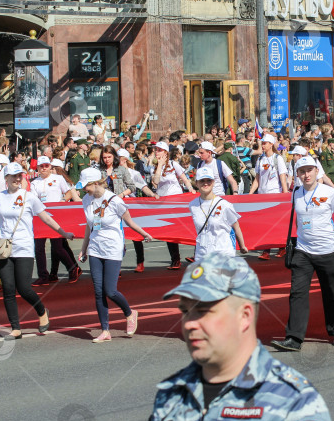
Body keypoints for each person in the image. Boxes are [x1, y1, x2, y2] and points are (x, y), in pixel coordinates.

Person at [143, 253, 334, 421]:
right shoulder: (171, 395)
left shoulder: (294, 403)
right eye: (185, 311)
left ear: (244, 316)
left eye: (203, 311)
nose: (190, 323)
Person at [271, 157, 334, 352]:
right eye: (302, 171)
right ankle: (294, 338)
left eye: (309, 170)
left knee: (332, 293)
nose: (306, 175)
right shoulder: (295, 193)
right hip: (303, 251)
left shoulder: (329, 193)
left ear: (316, 171)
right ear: (297, 174)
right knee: (297, 293)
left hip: (328, 251)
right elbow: (297, 221)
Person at [0, 163, 74, 340]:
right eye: (13, 176)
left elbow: (45, 217)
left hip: (24, 247)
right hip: (5, 249)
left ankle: (41, 310)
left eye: (19, 176)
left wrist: (63, 233)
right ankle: (15, 327)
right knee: (8, 288)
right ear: (6, 178)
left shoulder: (29, 197)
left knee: (23, 288)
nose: (17, 179)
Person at [76, 167, 152, 342]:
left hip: (112, 247)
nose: (83, 189)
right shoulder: (86, 200)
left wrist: (144, 234)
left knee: (110, 291)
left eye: (86, 186)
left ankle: (130, 313)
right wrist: (84, 248)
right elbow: (90, 225)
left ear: (96, 183)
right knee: (98, 291)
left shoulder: (114, 200)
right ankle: (105, 330)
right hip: (95, 247)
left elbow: (129, 221)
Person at [30, 156, 82, 286]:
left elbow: (69, 192)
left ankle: (72, 268)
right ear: (38, 168)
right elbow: (33, 199)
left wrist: (63, 201)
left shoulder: (58, 179)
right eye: (41, 166)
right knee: (39, 247)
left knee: (57, 246)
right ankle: (43, 275)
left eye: (46, 166)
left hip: (57, 216)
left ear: (50, 167)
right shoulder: (34, 183)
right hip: (41, 216)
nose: (44, 168)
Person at [189, 167, 248, 262]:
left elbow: (236, 226)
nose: (205, 183)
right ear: (197, 183)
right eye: (202, 181)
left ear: (213, 182)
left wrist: (242, 246)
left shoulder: (224, 205)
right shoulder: (193, 205)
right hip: (202, 255)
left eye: (209, 180)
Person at [152, 141, 194, 270]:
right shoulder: (154, 166)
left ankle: (198, 254)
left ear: (165, 152)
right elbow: (156, 182)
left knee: (185, 227)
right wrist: (159, 165)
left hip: (176, 200)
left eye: (159, 150)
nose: (156, 152)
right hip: (164, 202)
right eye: (155, 150)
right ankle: (175, 259)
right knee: (169, 231)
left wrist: (191, 191)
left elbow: (185, 179)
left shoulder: (173, 164)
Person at [249, 134, 288, 260]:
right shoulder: (260, 159)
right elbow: (257, 179)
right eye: (262, 143)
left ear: (271, 144)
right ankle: (271, 248)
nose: (263, 145)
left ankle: (278, 248)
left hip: (275, 194)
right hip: (262, 195)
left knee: (275, 223)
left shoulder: (278, 159)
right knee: (265, 223)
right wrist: (250, 194)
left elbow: (282, 177)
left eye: (265, 143)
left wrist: (285, 194)